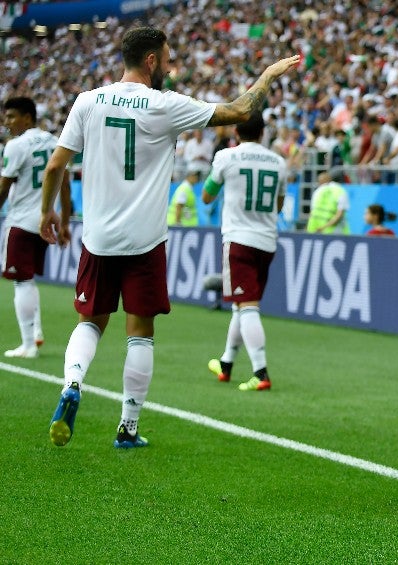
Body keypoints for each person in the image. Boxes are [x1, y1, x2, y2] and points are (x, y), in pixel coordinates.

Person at [39, 26, 300, 449]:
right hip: (145, 241)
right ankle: (128, 427)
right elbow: (237, 111)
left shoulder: (87, 101)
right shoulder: (166, 106)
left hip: (98, 237)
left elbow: (55, 167)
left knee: (90, 322)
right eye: (167, 57)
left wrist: (47, 211)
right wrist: (267, 77)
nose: (170, 64)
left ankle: (72, 384)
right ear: (151, 61)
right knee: (140, 332)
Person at [202, 112, 286, 391]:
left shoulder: (227, 157)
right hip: (267, 240)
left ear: (237, 133)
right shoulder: (278, 162)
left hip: (239, 239)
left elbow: (207, 195)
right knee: (243, 305)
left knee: (247, 306)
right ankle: (226, 364)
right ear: (263, 134)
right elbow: (279, 205)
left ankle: (261, 373)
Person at [0, 96, 72, 358]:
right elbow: (64, 183)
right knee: (28, 279)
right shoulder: (54, 141)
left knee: (22, 282)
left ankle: (28, 344)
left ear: (27, 117)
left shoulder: (15, 146)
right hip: (45, 221)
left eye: (11, 117)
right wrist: (64, 222)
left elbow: (4, 187)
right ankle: (36, 332)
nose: (6, 122)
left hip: (20, 220)